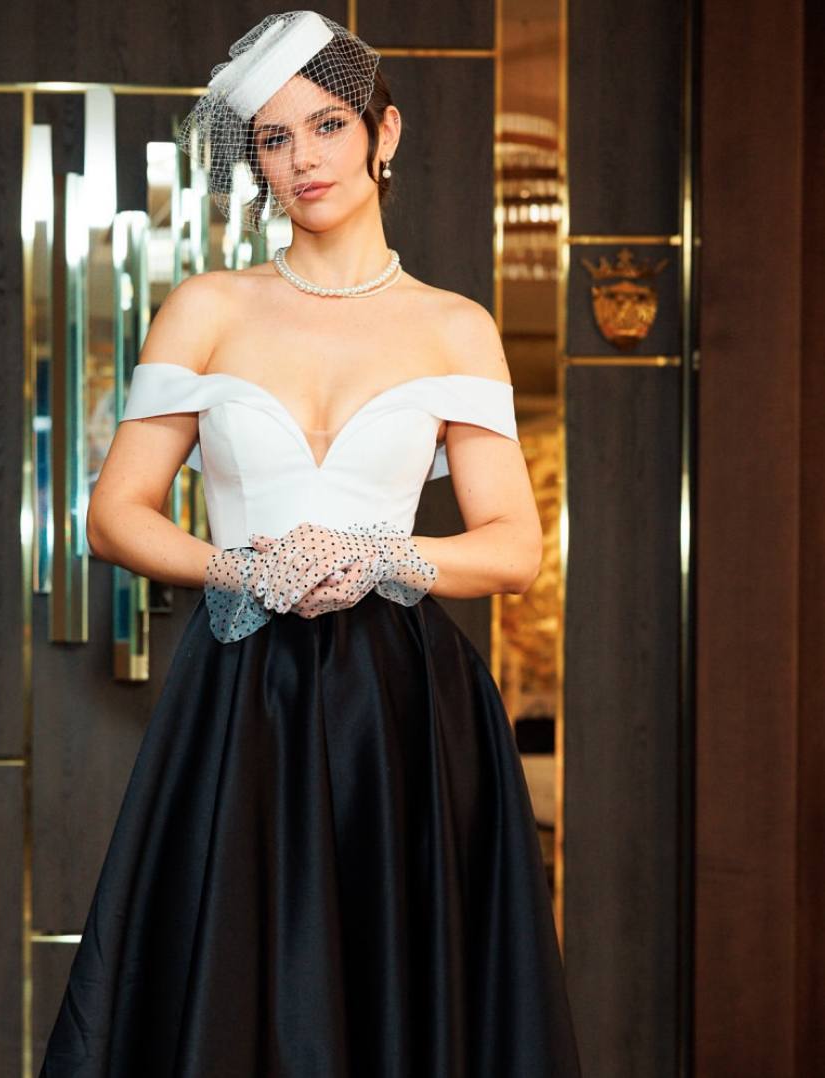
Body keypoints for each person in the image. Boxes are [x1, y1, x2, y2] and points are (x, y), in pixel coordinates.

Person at [40, 11, 582, 1076]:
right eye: (275, 139)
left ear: (386, 132)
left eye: (328, 125)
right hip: (244, 683)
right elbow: (115, 514)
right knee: (232, 978)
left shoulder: (455, 326)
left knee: (398, 985)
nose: (303, 159)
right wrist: (237, 567)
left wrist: (388, 557)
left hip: (402, 701)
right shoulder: (207, 308)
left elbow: (515, 547)